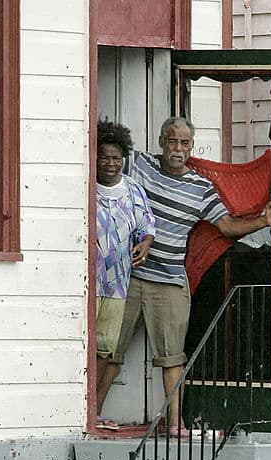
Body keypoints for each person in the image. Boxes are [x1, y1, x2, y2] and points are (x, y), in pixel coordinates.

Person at [106, 116, 271, 437]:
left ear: (192, 147)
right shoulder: (140, 166)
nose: (178, 149)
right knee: (108, 351)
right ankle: (91, 415)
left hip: (171, 281)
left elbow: (227, 226)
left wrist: (264, 221)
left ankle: (176, 424)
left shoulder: (201, 188)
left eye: (185, 143)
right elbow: (109, 168)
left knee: (173, 357)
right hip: (127, 277)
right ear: (161, 142)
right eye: (172, 141)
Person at [94, 121, 156, 431]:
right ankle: (78, 411)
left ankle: (93, 411)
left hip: (117, 284)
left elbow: (147, 228)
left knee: (105, 350)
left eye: (115, 157)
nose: (109, 163)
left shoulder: (132, 189)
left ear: (124, 158)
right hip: (87, 284)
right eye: (104, 157)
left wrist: (144, 245)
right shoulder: (87, 187)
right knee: (84, 348)